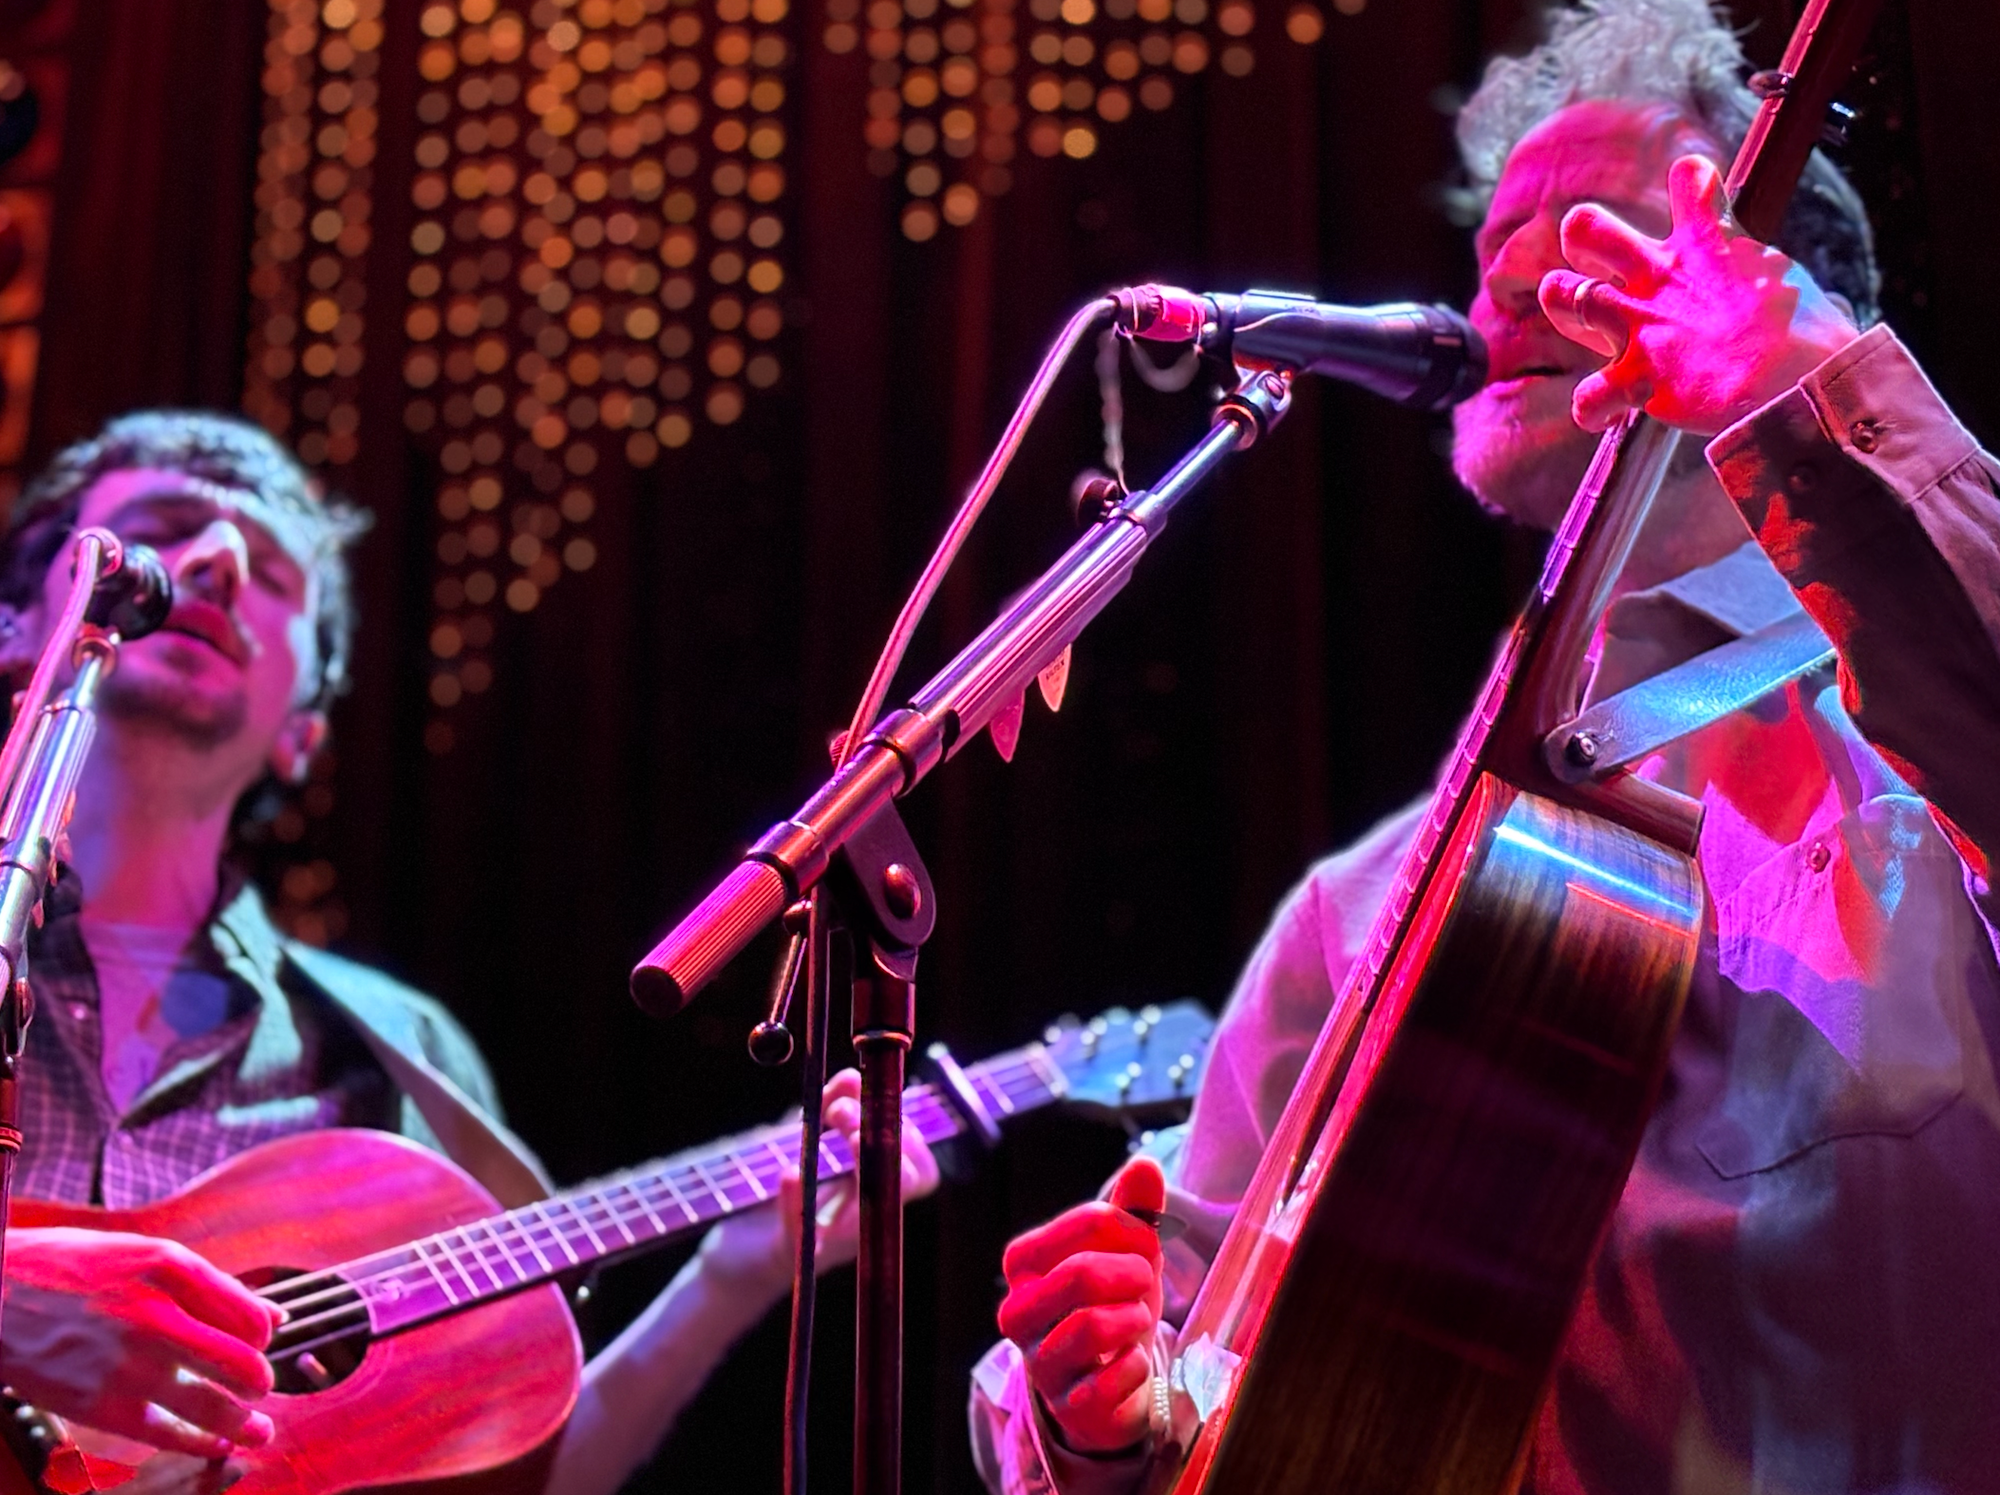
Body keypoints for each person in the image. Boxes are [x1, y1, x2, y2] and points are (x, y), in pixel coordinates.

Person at [970, 1, 2000, 1492]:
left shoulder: (1918, 760)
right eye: (1496, 241)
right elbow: (1190, 1355)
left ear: (1786, 294)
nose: (1509, 276)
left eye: (1586, 229)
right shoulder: (1370, 908)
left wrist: (1815, 407)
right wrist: (1099, 1405)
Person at [0, 411, 940, 1494]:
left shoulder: (398, 1058)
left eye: (270, 572)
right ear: (20, 625)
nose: (215, 560)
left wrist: (734, 1275)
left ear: (305, 728)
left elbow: (520, 1477)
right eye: (163, 530)